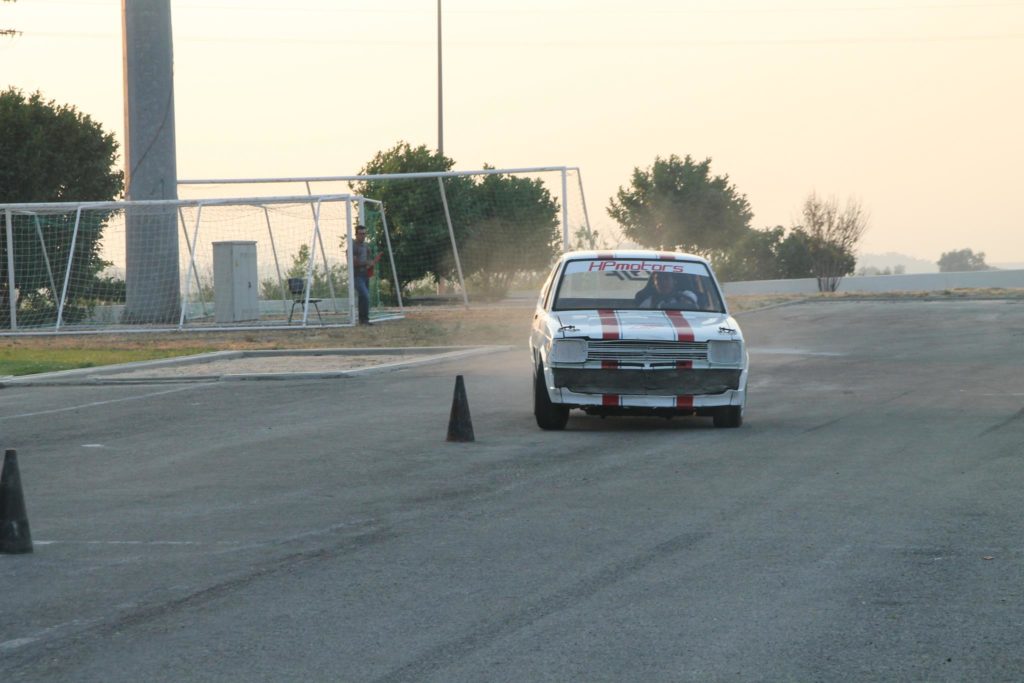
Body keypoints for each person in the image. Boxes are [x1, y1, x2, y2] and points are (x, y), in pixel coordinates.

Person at [352, 224, 381, 325]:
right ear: (356, 234)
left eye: (364, 234)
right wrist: (367, 263)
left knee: (363, 297)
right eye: (360, 234)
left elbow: (367, 258)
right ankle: (364, 320)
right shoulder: (353, 246)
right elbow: (353, 263)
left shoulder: (366, 246)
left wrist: (371, 263)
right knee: (365, 295)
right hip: (357, 276)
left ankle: (363, 320)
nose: (363, 236)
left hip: (365, 275)